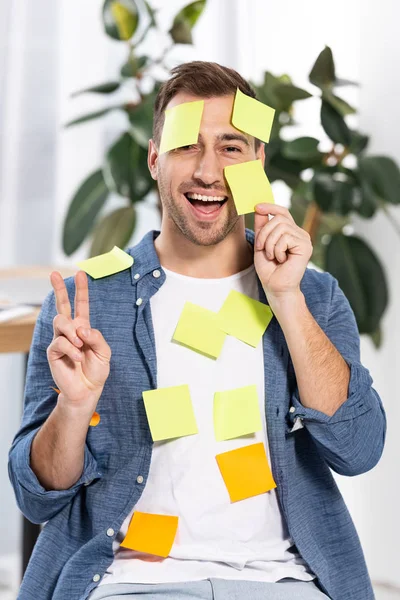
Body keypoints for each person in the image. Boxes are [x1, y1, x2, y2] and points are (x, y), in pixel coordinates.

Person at [9, 61, 386, 600]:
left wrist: (286, 299)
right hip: (128, 582)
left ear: (258, 162)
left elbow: (358, 450)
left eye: (232, 147)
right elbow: (36, 497)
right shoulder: (88, 301)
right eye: (188, 145)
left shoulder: (314, 294)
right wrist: (72, 409)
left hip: (283, 580)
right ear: (155, 157)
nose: (209, 171)